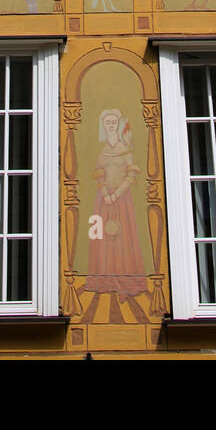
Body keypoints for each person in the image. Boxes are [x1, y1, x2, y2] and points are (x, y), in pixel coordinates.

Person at [86, 108, 148, 297]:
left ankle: (125, 279)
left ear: (118, 125)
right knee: (102, 237)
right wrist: (106, 194)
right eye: (107, 123)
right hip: (104, 200)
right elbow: (98, 174)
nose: (110, 125)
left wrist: (117, 194)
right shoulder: (102, 151)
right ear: (104, 126)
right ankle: (104, 280)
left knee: (124, 236)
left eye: (113, 122)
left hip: (122, 199)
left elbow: (131, 174)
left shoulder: (125, 150)